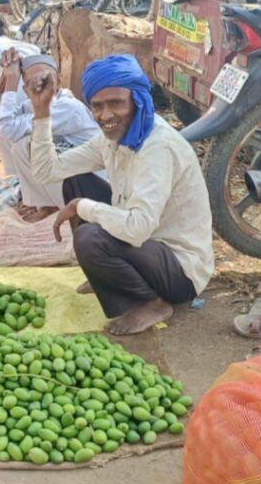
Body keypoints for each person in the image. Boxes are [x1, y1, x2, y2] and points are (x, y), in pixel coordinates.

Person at [28, 54, 214, 336]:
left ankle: (153, 302)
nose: (105, 115)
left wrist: (82, 207)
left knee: (89, 238)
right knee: (76, 181)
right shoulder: (112, 139)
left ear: (137, 101)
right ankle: (108, 277)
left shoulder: (157, 147)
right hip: (145, 244)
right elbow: (46, 171)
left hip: (179, 270)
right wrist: (41, 111)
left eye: (116, 103)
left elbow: (138, 229)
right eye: (97, 106)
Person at [0, 50, 101, 223]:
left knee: (26, 142)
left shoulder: (68, 107)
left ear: (58, 81)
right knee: (22, 141)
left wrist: (13, 81)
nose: (40, 84)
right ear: (25, 89)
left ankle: (52, 205)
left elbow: (6, 128)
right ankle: (43, 204)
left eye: (45, 78)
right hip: (67, 177)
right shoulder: (31, 104)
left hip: (91, 183)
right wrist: (5, 78)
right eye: (32, 82)